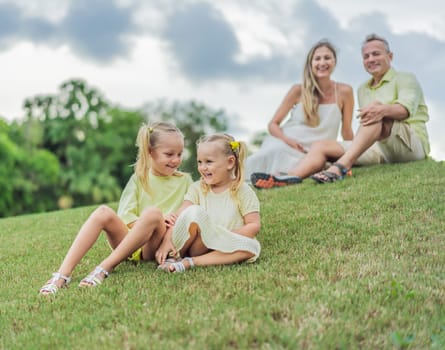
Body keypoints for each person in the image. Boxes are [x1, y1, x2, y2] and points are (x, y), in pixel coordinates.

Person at [251, 33, 430, 188]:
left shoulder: (405, 78)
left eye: (376, 54)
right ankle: (289, 177)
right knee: (320, 145)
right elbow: (361, 132)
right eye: (366, 56)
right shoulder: (362, 89)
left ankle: (340, 167)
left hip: (408, 146)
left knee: (376, 114)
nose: (371, 59)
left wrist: (381, 110)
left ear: (390, 56)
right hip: (377, 150)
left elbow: (404, 110)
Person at [39, 121, 193, 295]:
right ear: (151, 152)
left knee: (153, 213)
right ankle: (62, 275)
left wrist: (160, 222)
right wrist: (145, 223)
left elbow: (190, 213)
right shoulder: (139, 179)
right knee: (103, 212)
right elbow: (126, 217)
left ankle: (105, 267)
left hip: (155, 246)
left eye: (180, 154)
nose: (176, 160)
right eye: (169, 154)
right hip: (130, 243)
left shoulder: (185, 180)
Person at [246, 39, 354, 187]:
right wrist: (287, 140)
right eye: (317, 58)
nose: (322, 62)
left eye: (327, 58)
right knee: (271, 153)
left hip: (316, 151)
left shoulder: (345, 92)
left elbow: (346, 129)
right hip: (287, 143)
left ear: (335, 62)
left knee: (318, 160)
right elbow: (273, 124)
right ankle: (267, 179)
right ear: (310, 64)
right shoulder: (298, 90)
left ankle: (282, 179)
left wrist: (352, 156)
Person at [156, 133, 261, 273]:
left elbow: (253, 225)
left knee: (252, 247)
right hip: (197, 244)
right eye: (200, 162)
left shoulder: (243, 191)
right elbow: (180, 215)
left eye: (209, 162)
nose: (203, 168)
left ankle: (190, 263)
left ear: (230, 162)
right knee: (193, 212)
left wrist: (226, 237)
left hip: (224, 244)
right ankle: (174, 255)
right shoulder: (197, 188)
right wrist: (166, 241)